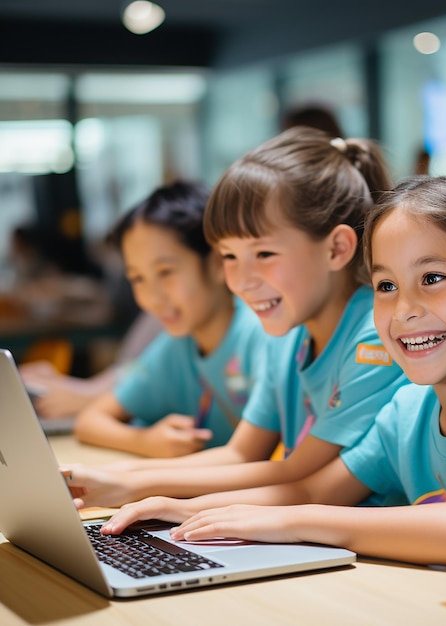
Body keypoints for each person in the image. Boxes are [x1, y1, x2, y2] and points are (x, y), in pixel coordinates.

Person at [101, 175, 446, 624]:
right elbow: (312, 488)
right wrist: (185, 512)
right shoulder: (408, 411)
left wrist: (289, 522)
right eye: (386, 285)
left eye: (433, 278)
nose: (405, 310)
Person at [63, 127, 408, 507]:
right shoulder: (289, 333)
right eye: (229, 256)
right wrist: (112, 478)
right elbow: (241, 454)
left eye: (263, 254)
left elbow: (297, 471)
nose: (241, 281)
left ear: (337, 248)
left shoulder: (374, 335)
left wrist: (142, 489)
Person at [71, 180, 267, 458]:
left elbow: (253, 458)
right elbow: (89, 421)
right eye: (137, 278)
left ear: (217, 263)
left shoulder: (258, 333)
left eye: (165, 272)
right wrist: (145, 441)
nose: (153, 297)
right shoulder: (176, 347)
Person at [19, 311, 162, 419]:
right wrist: (78, 387)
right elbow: (133, 368)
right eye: (137, 278)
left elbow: (144, 376)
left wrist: (89, 398)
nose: (150, 297)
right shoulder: (155, 316)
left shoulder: (170, 326)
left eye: (165, 272)